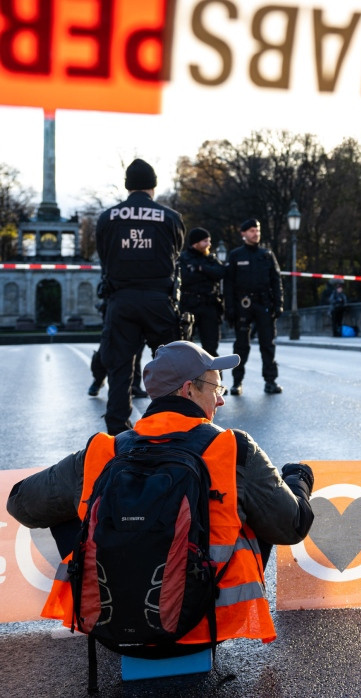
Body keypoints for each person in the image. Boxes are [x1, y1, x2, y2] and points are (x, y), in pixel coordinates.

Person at [6, 340, 315, 648]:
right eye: (215, 388)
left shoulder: (102, 451)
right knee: (246, 503)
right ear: (188, 390)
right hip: (205, 626)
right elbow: (291, 526)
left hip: (111, 630)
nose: (220, 400)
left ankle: (104, 596)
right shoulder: (232, 449)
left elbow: (21, 503)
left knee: (76, 507)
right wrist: (298, 478)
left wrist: (86, 506)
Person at [94, 158, 185, 434]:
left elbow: (104, 256)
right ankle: (172, 427)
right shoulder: (169, 217)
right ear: (153, 186)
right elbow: (176, 252)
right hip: (159, 301)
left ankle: (118, 435)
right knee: (172, 369)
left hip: (121, 302)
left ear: (127, 187)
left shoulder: (107, 218)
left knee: (120, 370)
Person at [224, 218, 283, 395]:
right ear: (243, 234)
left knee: (268, 344)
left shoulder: (266, 255)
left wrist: (278, 304)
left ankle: (270, 381)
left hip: (264, 303)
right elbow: (228, 284)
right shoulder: (235, 256)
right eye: (251, 231)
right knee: (241, 346)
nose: (255, 234)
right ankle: (237, 382)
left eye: (257, 230)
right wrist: (230, 308)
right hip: (243, 304)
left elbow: (276, 281)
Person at [179, 227, 226, 356]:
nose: (209, 244)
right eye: (205, 241)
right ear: (196, 242)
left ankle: (213, 376)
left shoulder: (211, 258)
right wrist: (207, 272)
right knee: (186, 346)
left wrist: (200, 268)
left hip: (209, 305)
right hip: (189, 305)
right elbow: (184, 278)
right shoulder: (183, 258)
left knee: (211, 349)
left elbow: (221, 272)